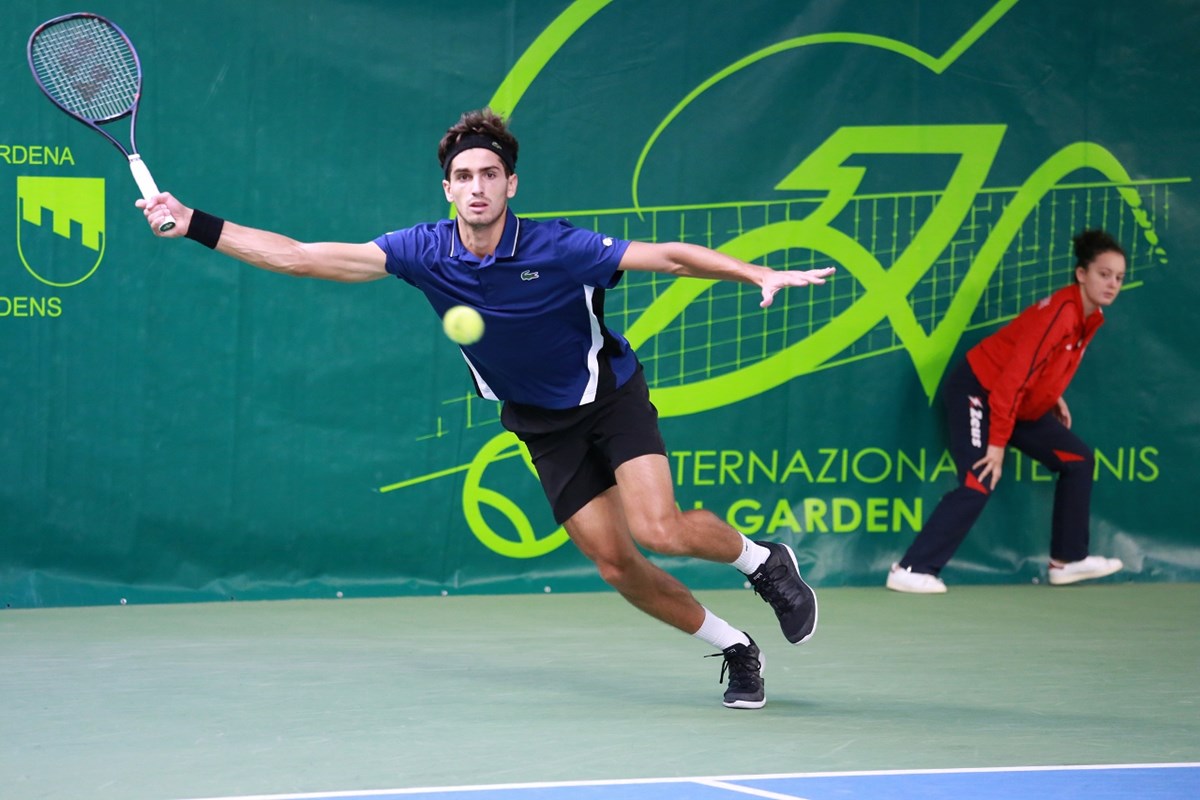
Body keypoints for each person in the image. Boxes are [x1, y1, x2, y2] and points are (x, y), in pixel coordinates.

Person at [137, 108, 835, 709]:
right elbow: (298, 256)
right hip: (540, 422)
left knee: (661, 528)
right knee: (618, 566)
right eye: (464, 176)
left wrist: (753, 270)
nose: (477, 187)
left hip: (608, 397)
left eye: (489, 175)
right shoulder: (422, 251)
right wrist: (193, 222)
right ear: (448, 188)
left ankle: (764, 562)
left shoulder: (559, 246)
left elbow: (671, 257)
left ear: (510, 184)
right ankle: (736, 646)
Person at [887, 228, 1127, 594]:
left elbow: (1039, 364)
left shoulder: (1087, 316)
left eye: (1119, 278)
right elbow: (1010, 382)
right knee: (979, 477)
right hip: (978, 392)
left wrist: (1050, 395)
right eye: (1104, 274)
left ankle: (1067, 561)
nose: (1112, 284)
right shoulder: (1062, 313)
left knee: (1078, 460)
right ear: (1082, 273)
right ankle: (909, 568)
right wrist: (996, 445)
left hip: (1014, 404)